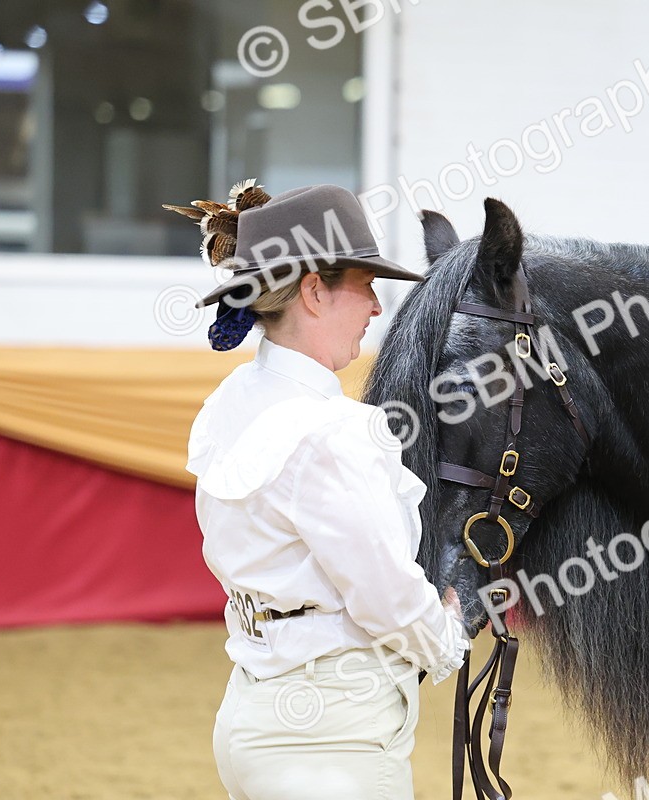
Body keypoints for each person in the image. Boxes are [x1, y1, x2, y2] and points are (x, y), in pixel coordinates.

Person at [167, 180, 470, 800]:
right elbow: (387, 598)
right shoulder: (336, 431)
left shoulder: (230, 400)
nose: (377, 308)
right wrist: (449, 636)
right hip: (334, 740)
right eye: (366, 285)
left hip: (250, 718)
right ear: (313, 291)